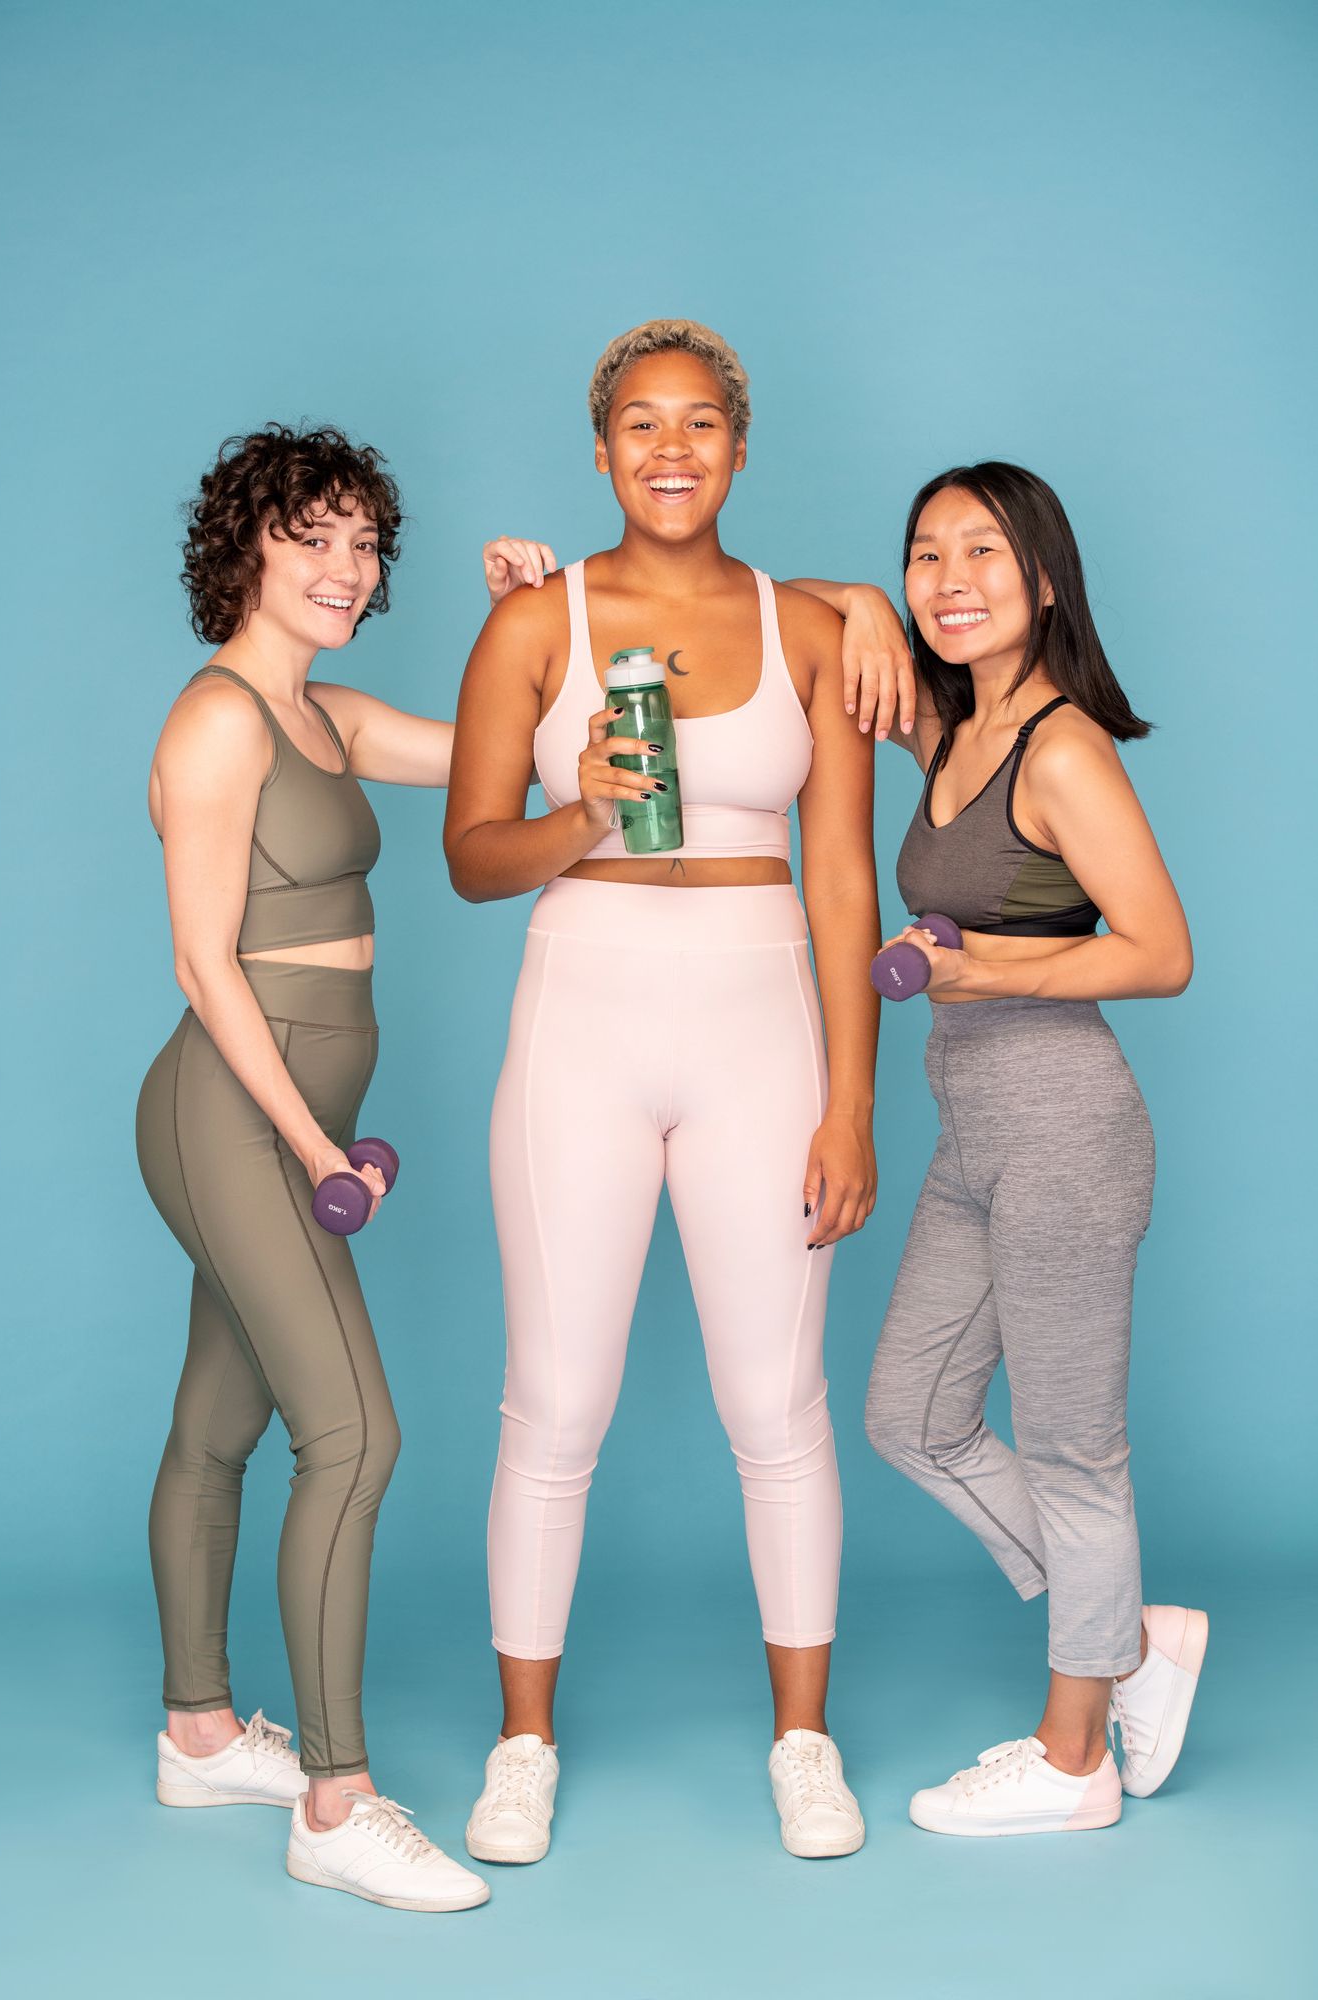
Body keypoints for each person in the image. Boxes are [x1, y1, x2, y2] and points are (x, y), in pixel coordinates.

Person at [444, 320, 880, 1863]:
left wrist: (850, 1106)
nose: (671, 447)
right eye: (640, 423)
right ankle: (520, 1747)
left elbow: (841, 882)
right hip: (584, 1014)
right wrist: (582, 817)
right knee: (556, 1402)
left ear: (740, 448)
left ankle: (804, 1743)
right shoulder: (534, 628)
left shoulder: (816, 629)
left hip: (764, 1026)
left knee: (777, 1403)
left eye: (700, 423)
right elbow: (470, 858)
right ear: (602, 449)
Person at [137, 421, 549, 1909]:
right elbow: (203, 962)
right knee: (356, 1438)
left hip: (300, 1114)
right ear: (249, 540)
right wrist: (315, 1144)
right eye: (313, 532)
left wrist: (524, 620)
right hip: (234, 1111)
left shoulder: (331, 716)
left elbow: (507, 752)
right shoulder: (219, 721)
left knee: (220, 1424)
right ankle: (335, 1798)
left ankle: (197, 1730)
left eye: (366, 542)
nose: (344, 564)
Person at [825, 461, 1204, 1835]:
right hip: (969, 1139)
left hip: (1062, 1132)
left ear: (1042, 580)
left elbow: (1159, 951)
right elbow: (801, 615)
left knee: (1066, 1451)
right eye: (924, 557)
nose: (948, 582)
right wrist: (864, 604)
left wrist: (994, 974)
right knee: (908, 1416)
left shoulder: (1058, 748)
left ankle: (1071, 1760)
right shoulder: (945, 727)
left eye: (980, 554)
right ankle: (1132, 1640)